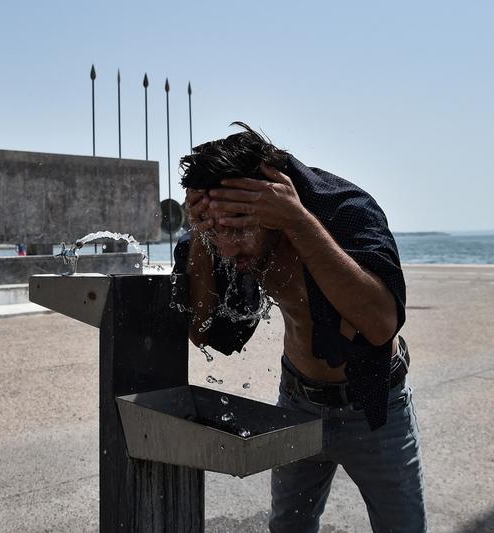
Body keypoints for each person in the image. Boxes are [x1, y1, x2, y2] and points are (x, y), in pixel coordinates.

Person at [174, 123, 426, 532]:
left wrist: (297, 220)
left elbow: (380, 325)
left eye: (238, 229)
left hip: (373, 401)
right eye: (216, 231)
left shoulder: (342, 210)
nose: (229, 247)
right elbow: (203, 329)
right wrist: (203, 238)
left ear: (271, 201)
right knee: (288, 527)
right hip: (298, 401)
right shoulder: (217, 234)